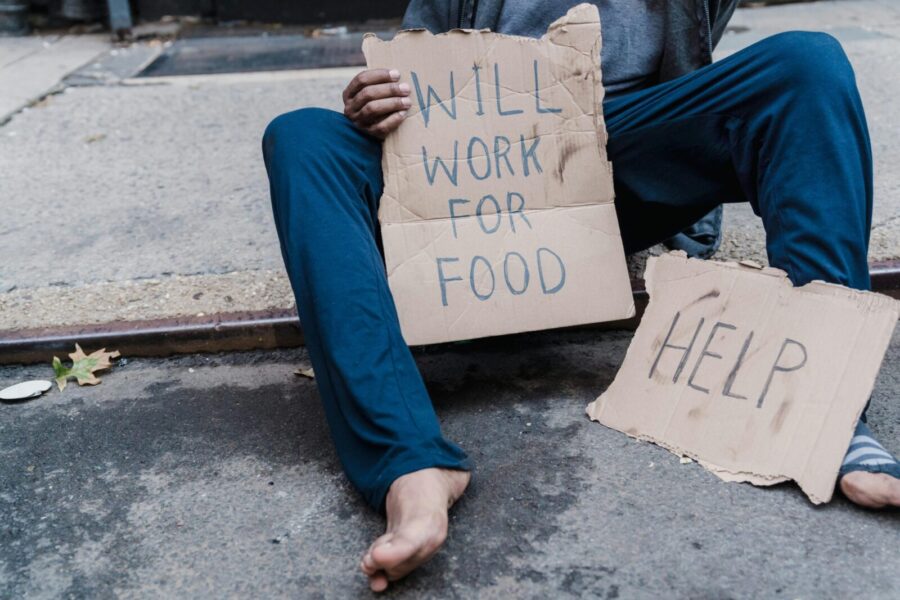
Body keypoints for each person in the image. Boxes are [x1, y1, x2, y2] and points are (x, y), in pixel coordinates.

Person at [262, 0, 900, 592]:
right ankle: (408, 465)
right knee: (302, 139)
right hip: (473, 170)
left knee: (806, 65)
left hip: (624, 151)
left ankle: (828, 412)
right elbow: (411, 64)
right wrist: (378, 101)